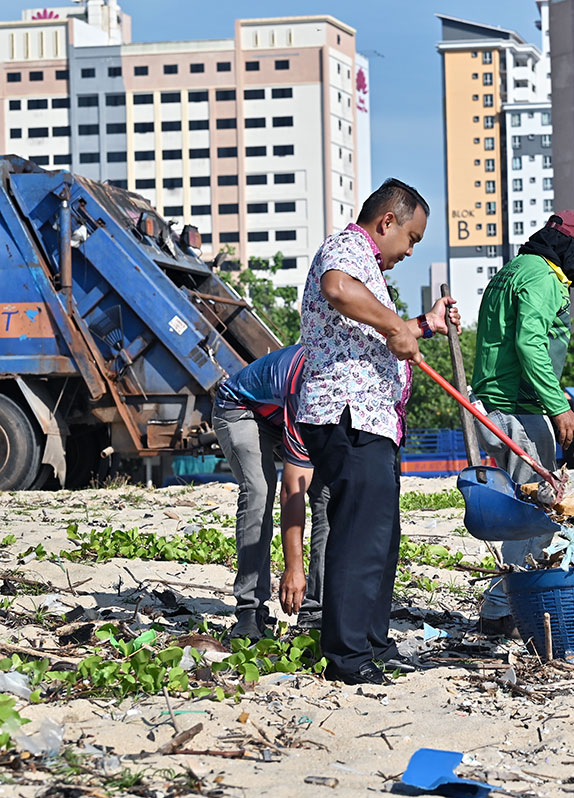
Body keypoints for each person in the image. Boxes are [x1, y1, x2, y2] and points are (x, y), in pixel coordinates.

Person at [296, 178, 460, 685]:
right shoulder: (347, 248)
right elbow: (337, 289)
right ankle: (346, 657)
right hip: (346, 415)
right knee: (358, 536)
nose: (411, 250)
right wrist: (395, 326)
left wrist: (423, 324)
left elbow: (372, 329)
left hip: (373, 419)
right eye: (411, 238)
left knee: (380, 538)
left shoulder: (370, 266)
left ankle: (372, 642)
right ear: (387, 222)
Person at [470, 211, 574, 637]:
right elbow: (529, 342)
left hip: (505, 404)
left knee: (533, 505)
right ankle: (505, 607)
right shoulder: (542, 277)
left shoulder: (513, 270)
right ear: (571, 250)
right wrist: (560, 407)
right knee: (544, 506)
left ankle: (504, 606)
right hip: (512, 409)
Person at [212, 344, 329, 640]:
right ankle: (250, 609)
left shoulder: (344, 388)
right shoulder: (308, 387)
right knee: (259, 491)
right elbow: (293, 491)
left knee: (327, 497)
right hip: (241, 409)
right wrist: (293, 569)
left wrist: (427, 323)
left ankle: (316, 610)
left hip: (281, 413)